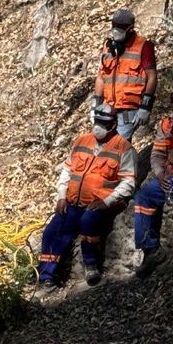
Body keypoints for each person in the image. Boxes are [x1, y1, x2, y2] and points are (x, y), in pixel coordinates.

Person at [37, 104, 137, 288]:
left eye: (103, 123)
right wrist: (61, 195)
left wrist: (106, 201)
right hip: (74, 201)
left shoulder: (124, 148)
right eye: (97, 122)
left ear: (113, 125)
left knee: (89, 222)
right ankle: (46, 276)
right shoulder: (82, 141)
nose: (99, 127)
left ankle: (91, 265)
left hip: (103, 204)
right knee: (53, 230)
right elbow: (67, 170)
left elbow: (128, 183)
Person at [134, 84, 173, 278]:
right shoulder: (167, 125)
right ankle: (150, 249)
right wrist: (159, 174)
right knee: (145, 196)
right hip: (172, 178)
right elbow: (156, 154)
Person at [91, 8, 157, 141]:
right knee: (101, 143)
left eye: (121, 27)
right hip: (107, 107)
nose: (116, 30)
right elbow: (101, 76)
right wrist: (95, 105)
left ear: (130, 28)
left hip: (128, 108)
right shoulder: (108, 47)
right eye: (114, 26)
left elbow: (152, 76)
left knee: (118, 146)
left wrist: (145, 106)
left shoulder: (143, 46)